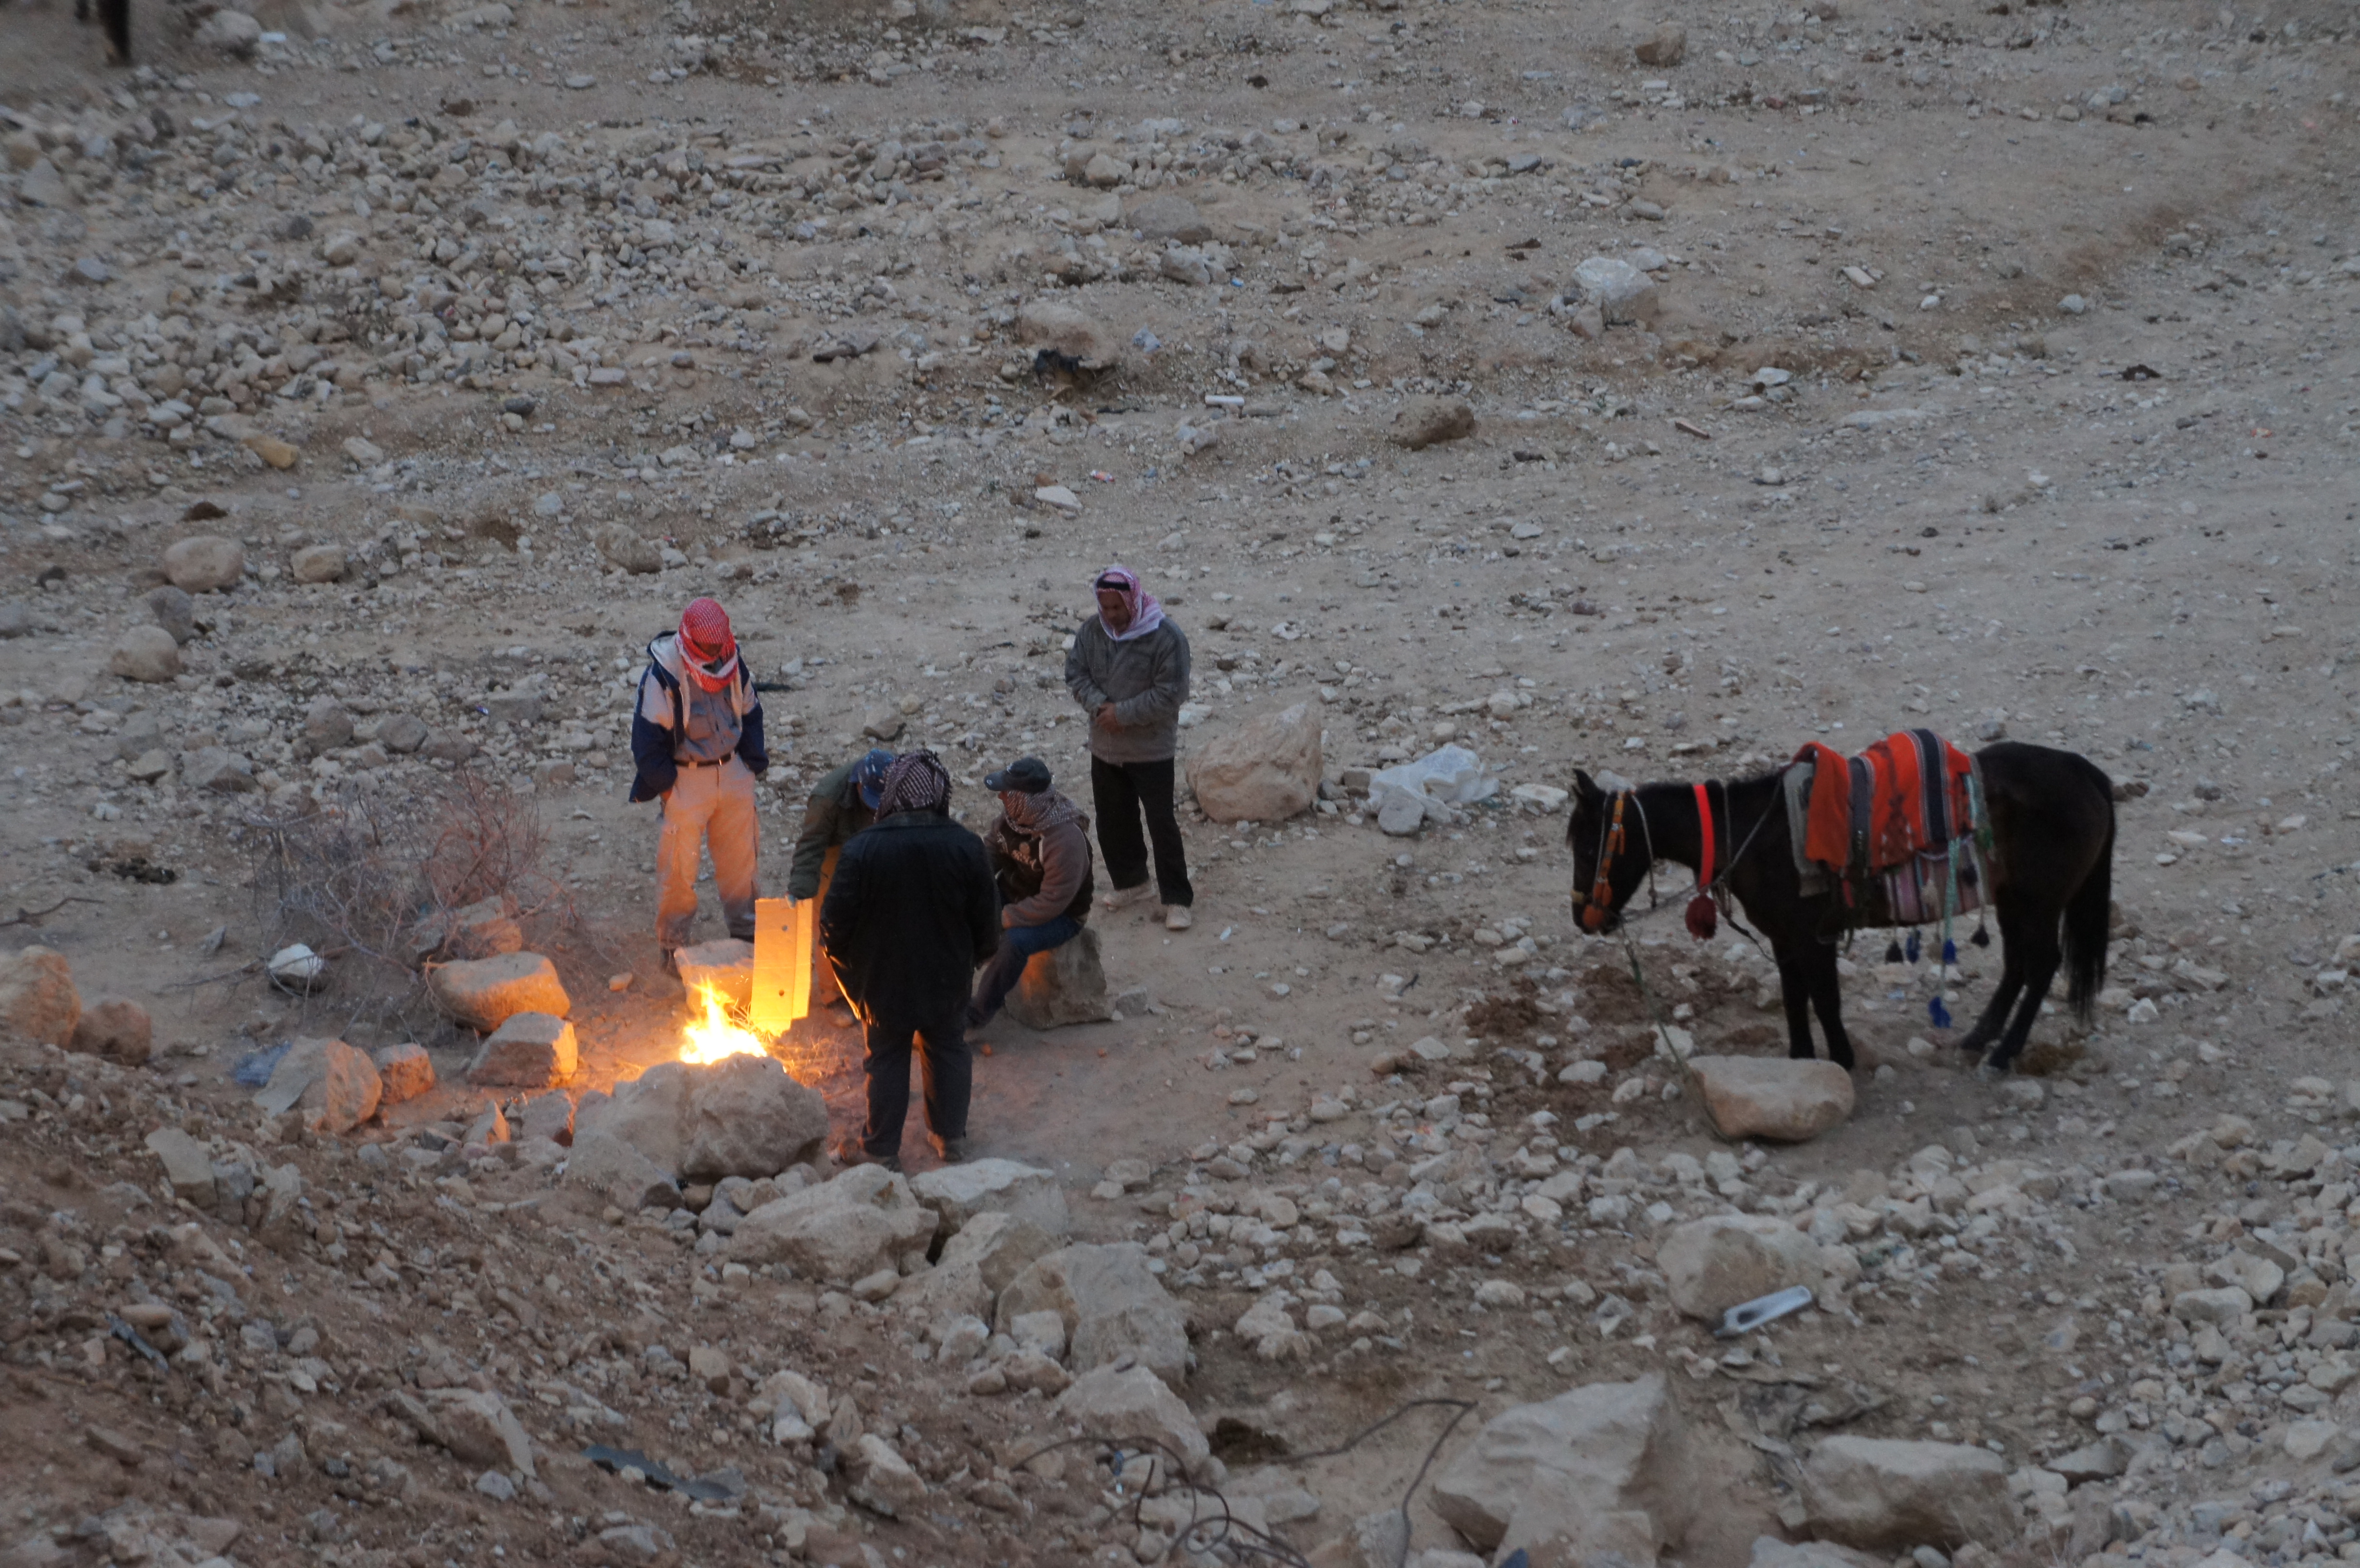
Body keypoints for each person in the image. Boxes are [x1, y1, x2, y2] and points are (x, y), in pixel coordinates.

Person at [819, 750, 999, 1170]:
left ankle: (881, 1150)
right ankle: (949, 1138)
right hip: (947, 977)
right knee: (948, 1049)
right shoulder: (966, 846)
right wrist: (974, 959)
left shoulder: (864, 849)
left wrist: (854, 977)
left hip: (882, 980)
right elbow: (987, 921)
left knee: (886, 1058)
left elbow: (833, 925)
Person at [628, 598, 768, 974]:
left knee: (741, 863)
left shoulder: (732, 661)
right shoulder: (664, 675)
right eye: (707, 650)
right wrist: (669, 788)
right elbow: (646, 741)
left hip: (732, 771)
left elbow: (751, 710)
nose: (714, 655)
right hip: (687, 778)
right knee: (678, 868)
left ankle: (747, 940)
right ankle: (673, 947)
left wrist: (752, 764)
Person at [1065, 564, 1195, 931]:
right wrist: (1099, 707)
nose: (1111, 616)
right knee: (1113, 821)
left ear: (1133, 601)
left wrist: (1123, 714)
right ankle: (1132, 883)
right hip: (1105, 747)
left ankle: (1177, 899)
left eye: (1117, 609)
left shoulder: (1165, 636)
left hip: (1151, 749)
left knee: (1162, 825)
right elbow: (1076, 674)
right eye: (1105, 608)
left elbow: (1173, 692)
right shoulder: (1093, 631)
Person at [968, 756, 1093, 1029]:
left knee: (1015, 942)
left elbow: (1052, 902)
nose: (1000, 796)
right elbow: (989, 854)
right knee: (961, 915)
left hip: (1062, 916)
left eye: (1006, 792)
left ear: (1024, 799)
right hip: (1015, 895)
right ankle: (950, 996)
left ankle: (977, 1016)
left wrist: (1001, 919)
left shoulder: (1064, 840)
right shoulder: (1013, 819)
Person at [787, 747, 896, 1004]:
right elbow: (811, 846)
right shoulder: (828, 797)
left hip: (879, 844)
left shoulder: (899, 785)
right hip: (837, 848)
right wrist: (800, 891)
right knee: (830, 921)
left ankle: (873, 983)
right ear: (858, 783)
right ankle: (831, 994)